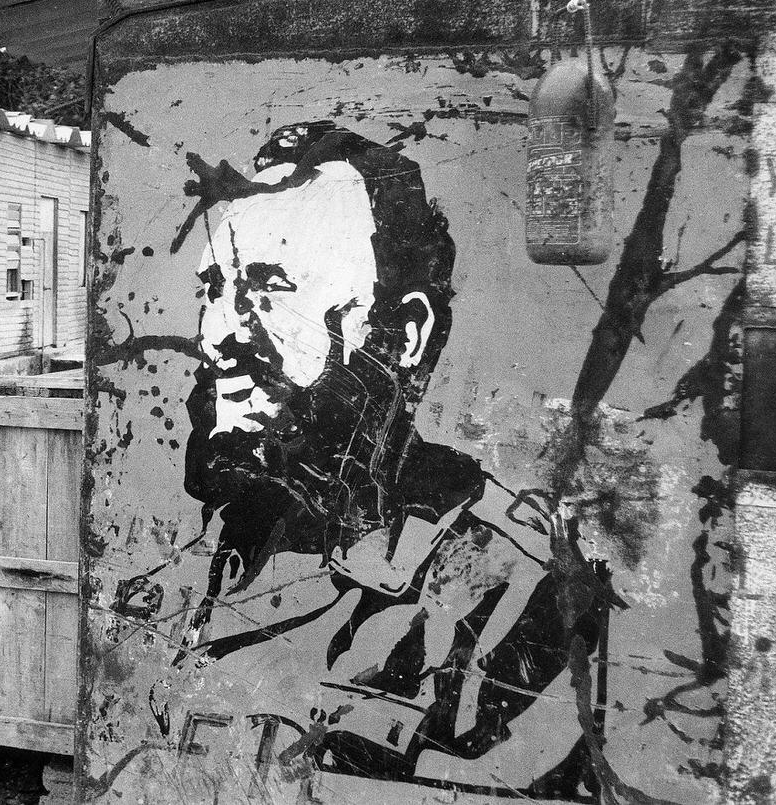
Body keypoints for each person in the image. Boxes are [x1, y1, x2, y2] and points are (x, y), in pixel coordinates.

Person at [155, 121, 605, 798]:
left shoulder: (515, 591)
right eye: (214, 290)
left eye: (270, 288)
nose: (218, 334)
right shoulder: (212, 541)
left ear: (403, 334)